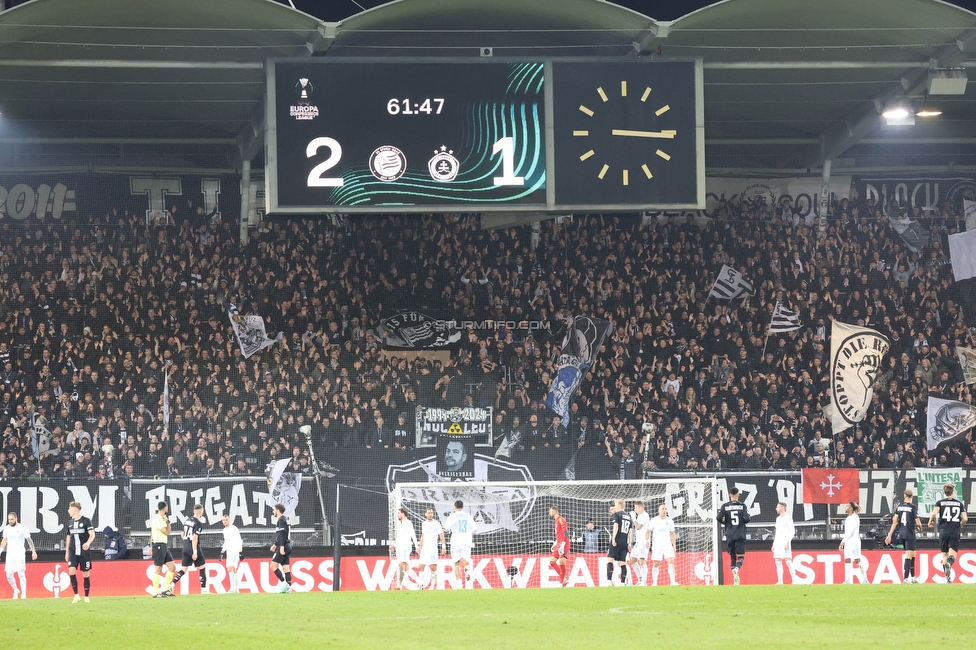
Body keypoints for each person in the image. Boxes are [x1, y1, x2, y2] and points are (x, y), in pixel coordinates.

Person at [928, 483, 968, 584]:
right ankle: (949, 564)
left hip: (943, 531)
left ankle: (948, 578)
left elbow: (933, 513)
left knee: (944, 554)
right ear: (953, 492)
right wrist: (961, 523)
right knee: (952, 555)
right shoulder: (959, 504)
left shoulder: (940, 502)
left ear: (944, 492)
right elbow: (965, 518)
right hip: (954, 530)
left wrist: (930, 521)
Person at [885, 489, 922, 584]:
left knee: (913, 554)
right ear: (912, 497)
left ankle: (913, 577)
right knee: (909, 556)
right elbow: (917, 521)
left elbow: (895, 521)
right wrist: (920, 527)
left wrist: (889, 535)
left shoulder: (899, 507)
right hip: (910, 534)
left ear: (904, 496)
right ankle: (906, 578)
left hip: (901, 534)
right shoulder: (913, 507)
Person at [717, 487, 750, 585]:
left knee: (732, 556)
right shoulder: (742, 505)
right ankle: (736, 569)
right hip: (740, 534)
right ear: (738, 495)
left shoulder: (725, 506)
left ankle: (735, 581)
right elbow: (747, 519)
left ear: (729, 495)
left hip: (729, 534)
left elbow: (718, 517)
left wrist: (725, 521)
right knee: (740, 557)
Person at [173, 503, 208, 594]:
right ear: (201, 512)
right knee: (202, 567)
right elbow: (195, 538)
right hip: (193, 548)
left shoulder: (187, 521)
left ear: (193, 511)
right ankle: (204, 590)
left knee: (183, 569)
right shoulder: (198, 523)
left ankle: (171, 585)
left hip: (185, 547)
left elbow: (182, 534)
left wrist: (186, 542)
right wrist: (195, 552)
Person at [1, 512, 36, 598]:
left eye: (12, 519)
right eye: (9, 519)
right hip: (10, 555)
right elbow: (4, 541)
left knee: (21, 573)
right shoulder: (6, 529)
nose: (10, 521)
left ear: (16, 519)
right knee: (8, 575)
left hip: (19, 554)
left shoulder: (22, 528)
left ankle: (24, 594)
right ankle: (15, 589)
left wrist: (33, 551)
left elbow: (29, 540)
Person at [65, 501, 95, 603]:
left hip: (84, 552)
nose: (68, 510)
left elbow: (92, 534)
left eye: (70, 508)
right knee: (71, 571)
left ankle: (86, 596)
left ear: (74, 509)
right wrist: (67, 552)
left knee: (85, 574)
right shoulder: (70, 523)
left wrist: (88, 543)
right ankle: (76, 595)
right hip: (73, 551)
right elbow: (68, 537)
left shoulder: (86, 521)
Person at [443, 500, 477, 589]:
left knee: (456, 563)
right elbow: (475, 528)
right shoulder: (468, 516)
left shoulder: (452, 516)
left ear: (455, 506)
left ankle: (459, 585)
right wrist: (468, 533)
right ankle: (467, 570)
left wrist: (449, 531)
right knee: (466, 561)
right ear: (463, 506)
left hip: (456, 542)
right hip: (466, 541)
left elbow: (446, 528)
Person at [150, 501, 177, 597]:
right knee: (158, 568)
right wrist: (167, 523)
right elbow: (167, 532)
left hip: (163, 545)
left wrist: (167, 521)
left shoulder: (163, 519)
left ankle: (165, 589)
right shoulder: (157, 519)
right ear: (165, 508)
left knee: (172, 567)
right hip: (158, 545)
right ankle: (156, 592)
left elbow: (167, 532)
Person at [649, 504, 678, 586]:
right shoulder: (654, 520)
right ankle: (654, 582)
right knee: (656, 563)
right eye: (663, 509)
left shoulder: (670, 521)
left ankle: (672, 581)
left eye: (665, 509)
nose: (664, 510)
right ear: (659, 510)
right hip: (657, 545)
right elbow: (648, 531)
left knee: (671, 561)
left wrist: (674, 546)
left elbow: (672, 534)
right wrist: (647, 541)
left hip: (667, 545)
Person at [417, 508, 445, 590]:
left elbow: (441, 534)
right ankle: (421, 585)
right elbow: (423, 535)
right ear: (425, 514)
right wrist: (420, 546)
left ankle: (433, 586)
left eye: (431, 513)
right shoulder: (424, 523)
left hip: (432, 549)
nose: (430, 514)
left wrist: (443, 546)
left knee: (433, 567)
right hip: (424, 549)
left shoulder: (436, 524)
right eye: (429, 513)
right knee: (421, 566)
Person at [840, 501, 868, 584]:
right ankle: (847, 581)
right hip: (847, 542)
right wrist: (844, 541)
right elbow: (847, 532)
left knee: (857, 560)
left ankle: (865, 579)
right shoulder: (847, 518)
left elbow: (852, 531)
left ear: (851, 508)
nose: (846, 507)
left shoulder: (855, 517)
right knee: (847, 560)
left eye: (847, 506)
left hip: (854, 542)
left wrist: (843, 541)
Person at [391, 507, 417, 590]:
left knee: (404, 567)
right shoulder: (402, 524)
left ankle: (420, 583)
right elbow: (400, 538)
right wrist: (395, 545)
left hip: (405, 548)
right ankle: (400, 586)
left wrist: (417, 546)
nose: (397, 515)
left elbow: (413, 535)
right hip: (401, 547)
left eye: (399, 513)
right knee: (402, 567)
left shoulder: (408, 523)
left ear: (403, 514)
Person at [608, 499, 632, 586]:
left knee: (610, 560)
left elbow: (616, 526)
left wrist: (613, 538)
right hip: (624, 542)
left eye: (616, 505)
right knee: (622, 562)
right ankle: (622, 583)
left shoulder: (617, 515)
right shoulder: (628, 516)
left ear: (619, 506)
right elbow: (630, 531)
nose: (615, 506)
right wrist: (630, 543)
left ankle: (609, 581)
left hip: (617, 541)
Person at [270, 503, 292, 593]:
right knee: (286, 568)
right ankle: (289, 588)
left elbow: (282, 534)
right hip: (287, 546)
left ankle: (284, 584)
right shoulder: (284, 519)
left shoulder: (281, 520)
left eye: (274, 509)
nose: (273, 511)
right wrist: (275, 544)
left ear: (278, 510)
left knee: (273, 566)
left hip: (284, 546)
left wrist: (281, 547)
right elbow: (283, 534)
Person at [772, 502, 796, 585]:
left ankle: (794, 581)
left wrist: (788, 541)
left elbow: (792, 531)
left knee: (788, 561)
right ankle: (780, 581)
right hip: (778, 543)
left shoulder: (788, 518)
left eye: (777, 507)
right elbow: (777, 532)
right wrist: (774, 543)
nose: (776, 508)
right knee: (777, 561)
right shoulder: (778, 519)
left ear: (782, 507)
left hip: (785, 542)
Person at [627, 501, 650, 586]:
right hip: (638, 542)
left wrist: (634, 519)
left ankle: (644, 582)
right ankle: (640, 579)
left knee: (642, 560)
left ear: (641, 508)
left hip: (644, 542)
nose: (634, 509)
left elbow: (638, 527)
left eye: (636, 507)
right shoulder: (640, 516)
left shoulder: (645, 515)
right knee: (632, 560)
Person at [221, 514, 244, 593]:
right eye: (223, 520)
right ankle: (235, 589)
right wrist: (222, 551)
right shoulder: (224, 530)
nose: (225, 522)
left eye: (226, 520)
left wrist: (240, 551)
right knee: (233, 570)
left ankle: (233, 588)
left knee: (230, 569)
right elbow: (226, 542)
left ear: (229, 520)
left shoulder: (233, 528)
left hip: (234, 551)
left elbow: (239, 539)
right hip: (229, 552)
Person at [549, 505, 570, 587]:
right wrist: (555, 544)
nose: (549, 513)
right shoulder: (556, 521)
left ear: (555, 511)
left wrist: (563, 544)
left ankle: (562, 581)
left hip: (564, 544)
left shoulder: (561, 519)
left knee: (561, 562)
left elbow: (566, 532)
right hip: (559, 544)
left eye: (550, 511)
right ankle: (564, 579)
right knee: (552, 561)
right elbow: (559, 535)